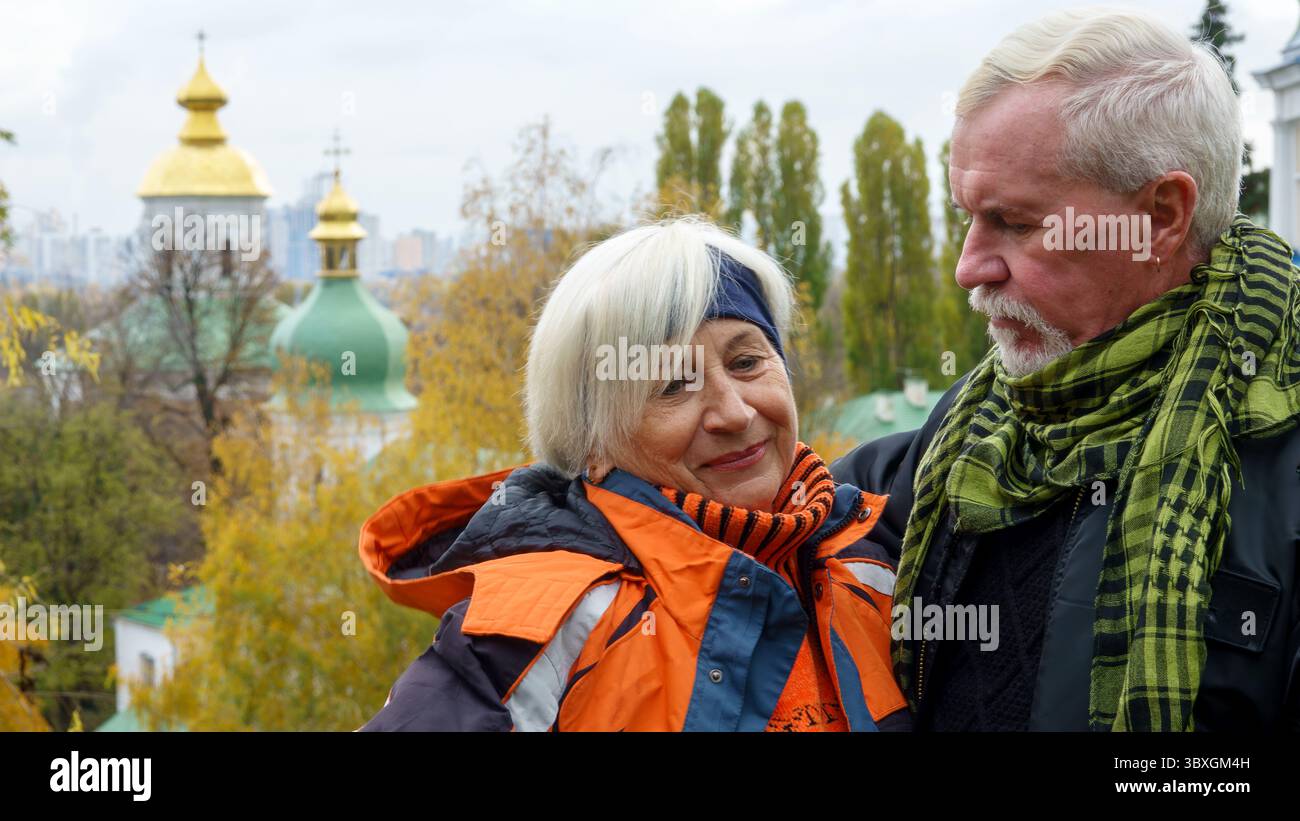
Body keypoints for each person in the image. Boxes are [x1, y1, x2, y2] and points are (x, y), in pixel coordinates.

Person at [832, 8, 1300, 731]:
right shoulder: (973, 422)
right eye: (968, 216)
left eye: (1015, 223)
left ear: (1161, 216)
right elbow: (799, 515)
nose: (968, 268)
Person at [359, 217, 909, 731]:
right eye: (672, 385)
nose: (735, 412)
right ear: (591, 442)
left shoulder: (876, 558)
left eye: (746, 362)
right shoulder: (545, 629)